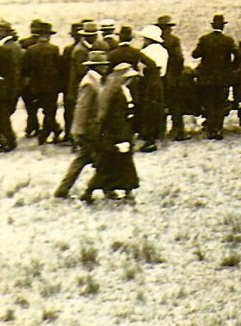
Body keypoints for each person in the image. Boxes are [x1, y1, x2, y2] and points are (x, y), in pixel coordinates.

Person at [83, 59, 140, 202]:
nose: (130, 80)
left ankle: (123, 191)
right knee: (109, 165)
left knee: (118, 164)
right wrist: (120, 140)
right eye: (128, 77)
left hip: (122, 132)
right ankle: (90, 192)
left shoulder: (120, 90)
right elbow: (114, 118)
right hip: (116, 134)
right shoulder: (115, 93)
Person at [54, 50, 107, 199]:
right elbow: (82, 108)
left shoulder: (93, 81)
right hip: (87, 130)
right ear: (95, 67)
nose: (105, 67)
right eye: (102, 65)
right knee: (101, 161)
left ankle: (62, 190)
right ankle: (104, 190)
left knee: (82, 161)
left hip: (86, 129)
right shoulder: (90, 83)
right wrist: (82, 131)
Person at [192, 14, 239, 140]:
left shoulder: (204, 39)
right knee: (221, 104)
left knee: (209, 104)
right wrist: (232, 68)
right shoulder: (228, 40)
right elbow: (239, 55)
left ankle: (210, 130)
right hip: (223, 78)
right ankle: (218, 129)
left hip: (206, 78)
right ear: (223, 27)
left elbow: (195, 55)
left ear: (212, 26)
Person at [23, 22, 63, 144]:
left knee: (40, 110)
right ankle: (48, 133)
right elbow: (58, 67)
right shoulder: (54, 49)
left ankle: (51, 131)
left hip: (36, 86)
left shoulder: (30, 50)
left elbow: (26, 69)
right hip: (51, 86)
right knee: (50, 111)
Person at [0, 21, 23, 152]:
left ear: (4, 33)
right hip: (15, 88)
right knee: (6, 115)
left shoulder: (2, 49)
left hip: (2, 89)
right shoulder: (17, 47)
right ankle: (7, 140)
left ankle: (7, 141)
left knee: (0, 116)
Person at [136, 25, 168, 152]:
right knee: (156, 109)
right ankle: (155, 136)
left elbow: (140, 69)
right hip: (159, 81)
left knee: (147, 110)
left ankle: (148, 139)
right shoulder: (163, 50)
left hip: (147, 81)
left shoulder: (145, 52)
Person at [156, 15, 187, 142]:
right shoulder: (174, 40)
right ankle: (179, 131)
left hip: (159, 77)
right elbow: (179, 58)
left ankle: (160, 131)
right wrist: (177, 72)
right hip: (172, 76)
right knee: (175, 106)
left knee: (161, 105)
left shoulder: (155, 40)